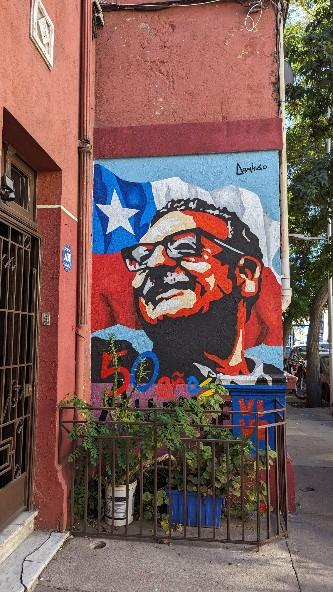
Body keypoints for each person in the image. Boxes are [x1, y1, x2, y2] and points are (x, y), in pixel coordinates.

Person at [92, 197, 283, 389]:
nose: (155, 262)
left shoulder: (270, 382)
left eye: (183, 246)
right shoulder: (109, 366)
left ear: (246, 274)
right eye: (142, 256)